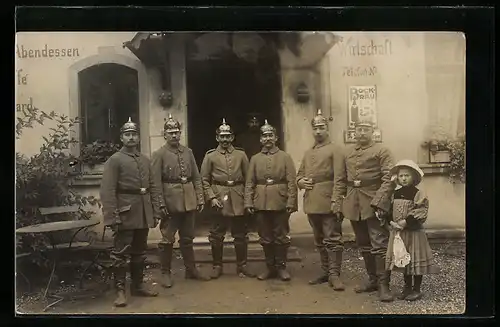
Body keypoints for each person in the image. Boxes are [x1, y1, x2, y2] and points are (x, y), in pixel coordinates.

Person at [99, 117, 161, 307]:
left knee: (140, 251)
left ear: (138, 138)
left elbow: (153, 186)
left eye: (134, 134)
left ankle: (138, 285)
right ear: (121, 138)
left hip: (142, 212)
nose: (131, 138)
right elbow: (107, 190)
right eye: (128, 134)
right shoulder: (115, 160)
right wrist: (112, 216)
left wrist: (156, 211)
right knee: (120, 253)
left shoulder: (145, 160)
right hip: (124, 213)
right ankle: (119, 291)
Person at [333, 120, 396, 302]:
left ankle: (384, 285)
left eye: (365, 130)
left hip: (374, 201)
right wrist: (337, 203)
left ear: (373, 132)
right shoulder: (347, 153)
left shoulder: (382, 151)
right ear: (354, 132)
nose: (361, 133)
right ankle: (373, 280)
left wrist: (379, 202)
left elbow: (389, 178)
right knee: (363, 244)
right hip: (353, 202)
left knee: (379, 244)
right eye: (358, 130)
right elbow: (340, 180)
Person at [151, 113, 210, 288]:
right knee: (167, 239)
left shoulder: (188, 152)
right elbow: (155, 182)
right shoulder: (159, 154)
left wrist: (199, 198)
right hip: (170, 202)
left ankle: (190, 270)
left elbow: (196, 177)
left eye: (177, 132)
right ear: (165, 135)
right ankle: (165, 272)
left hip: (189, 199)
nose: (174, 135)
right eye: (171, 133)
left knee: (187, 238)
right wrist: (160, 203)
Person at [200, 118, 256, 279]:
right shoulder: (210, 156)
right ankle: (217, 265)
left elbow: (249, 179)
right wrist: (211, 198)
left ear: (232, 138)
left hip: (238, 196)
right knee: (217, 234)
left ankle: (242, 266)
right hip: (219, 197)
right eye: (222, 136)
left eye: (228, 136)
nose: (225, 140)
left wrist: (247, 200)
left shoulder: (241, 154)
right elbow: (204, 180)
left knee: (240, 234)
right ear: (217, 138)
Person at [297, 109, 345, 291]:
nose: (318, 131)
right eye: (315, 128)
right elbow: (299, 174)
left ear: (327, 129)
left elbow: (340, 178)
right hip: (312, 201)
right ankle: (325, 271)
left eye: (321, 127)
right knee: (319, 239)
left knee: (333, 238)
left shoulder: (335, 150)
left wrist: (336, 201)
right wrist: (301, 181)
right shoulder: (308, 153)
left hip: (328, 200)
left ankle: (334, 274)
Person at [244, 119, 298, 281]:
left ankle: (281, 267)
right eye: (264, 136)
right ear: (260, 139)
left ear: (276, 138)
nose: (267, 139)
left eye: (270, 135)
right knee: (266, 237)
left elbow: (291, 182)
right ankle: (270, 268)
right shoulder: (254, 159)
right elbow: (250, 182)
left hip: (280, 201)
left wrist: (291, 202)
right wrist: (248, 202)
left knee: (280, 236)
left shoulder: (285, 157)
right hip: (260, 202)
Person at [385, 159, 438, 301]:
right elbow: (389, 210)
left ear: (413, 177)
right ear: (397, 177)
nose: (403, 178)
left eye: (407, 176)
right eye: (401, 176)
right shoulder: (395, 194)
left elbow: (421, 211)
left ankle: (416, 289)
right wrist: (391, 221)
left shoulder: (418, 193)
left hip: (414, 232)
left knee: (415, 259)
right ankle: (407, 287)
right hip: (400, 233)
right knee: (404, 260)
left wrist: (404, 222)